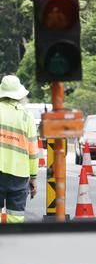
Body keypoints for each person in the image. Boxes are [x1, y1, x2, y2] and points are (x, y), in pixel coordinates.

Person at [0, 75, 38, 223]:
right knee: (15, 216)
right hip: (18, 175)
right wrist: (33, 177)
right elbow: (33, 151)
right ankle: (13, 241)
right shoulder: (26, 116)